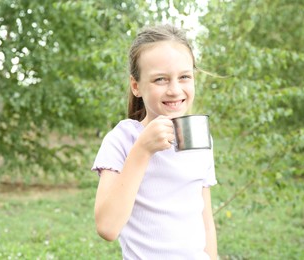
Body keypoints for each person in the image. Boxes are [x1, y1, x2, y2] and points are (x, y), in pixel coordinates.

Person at [92, 24, 218, 259]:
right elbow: (107, 228)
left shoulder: (199, 135)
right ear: (136, 86)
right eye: (160, 79)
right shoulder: (122, 140)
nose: (174, 89)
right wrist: (142, 149)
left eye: (184, 77)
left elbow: (205, 220)